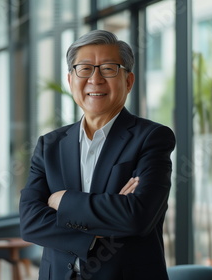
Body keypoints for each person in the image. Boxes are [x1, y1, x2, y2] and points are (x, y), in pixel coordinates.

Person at [19, 30, 176, 280]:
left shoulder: (152, 138)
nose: (95, 79)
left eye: (108, 68)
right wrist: (101, 226)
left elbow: (137, 217)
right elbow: (30, 222)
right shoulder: (50, 145)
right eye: (84, 68)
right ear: (70, 80)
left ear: (128, 81)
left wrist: (62, 201)